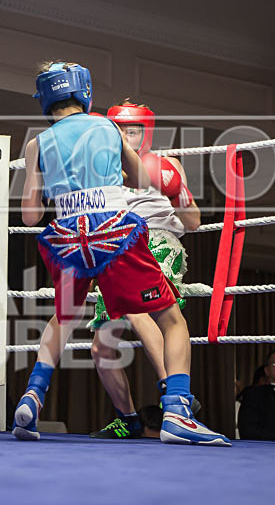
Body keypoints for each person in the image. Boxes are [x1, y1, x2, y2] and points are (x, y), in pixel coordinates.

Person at [16, 60, 229, 445]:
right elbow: (141, 179)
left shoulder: (36, 143)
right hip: (113, 230)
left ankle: (33, 393)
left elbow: (30, 215)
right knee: (171, 319)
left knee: (63, 316)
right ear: (84, 91)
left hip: (65, 234)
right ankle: (178, 410)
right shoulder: (106, 127)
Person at [86, 100, 202, 440]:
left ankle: (176, 398)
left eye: (132, 130)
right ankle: (129, 419)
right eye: (119, 129)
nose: (125, 136)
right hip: (116, 247)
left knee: (140, 310)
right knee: (101, 348)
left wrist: (177, 190)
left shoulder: (168, 164)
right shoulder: (100, 171)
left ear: (146, 133)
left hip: (158, 242)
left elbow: (193, 222)